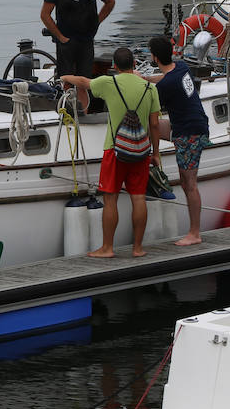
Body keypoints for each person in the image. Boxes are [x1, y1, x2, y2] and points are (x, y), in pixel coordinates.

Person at [62, 47, 161, 259]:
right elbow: (154, 124)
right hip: (141, 151)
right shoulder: (149, 88)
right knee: (139, 198)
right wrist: (156, 153)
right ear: (134, 64)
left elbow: (84, 82)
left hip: (115, 150)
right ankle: (137, 248)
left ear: (114, 66)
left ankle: (107, 248)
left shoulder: (109, 83)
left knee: (110, 199)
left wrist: (64, 77)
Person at [145, 36, 208, 246]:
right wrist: (144, 78)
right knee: (185, 180)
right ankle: (194, 231)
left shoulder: (166, 86)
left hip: (189, 133)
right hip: (191, 125)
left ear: (155, 57)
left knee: (189, 184)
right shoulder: (181, 67)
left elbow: (154, 118)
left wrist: (156, 152)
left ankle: (195, 233)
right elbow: (165, 77)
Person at [41, 0, 115, 79]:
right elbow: (45, 14)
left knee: (85, 79)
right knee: (66, 78)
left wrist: (97, 21)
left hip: (86, 39)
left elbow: (110, 2)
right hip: (65, 40)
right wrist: (61, 37)